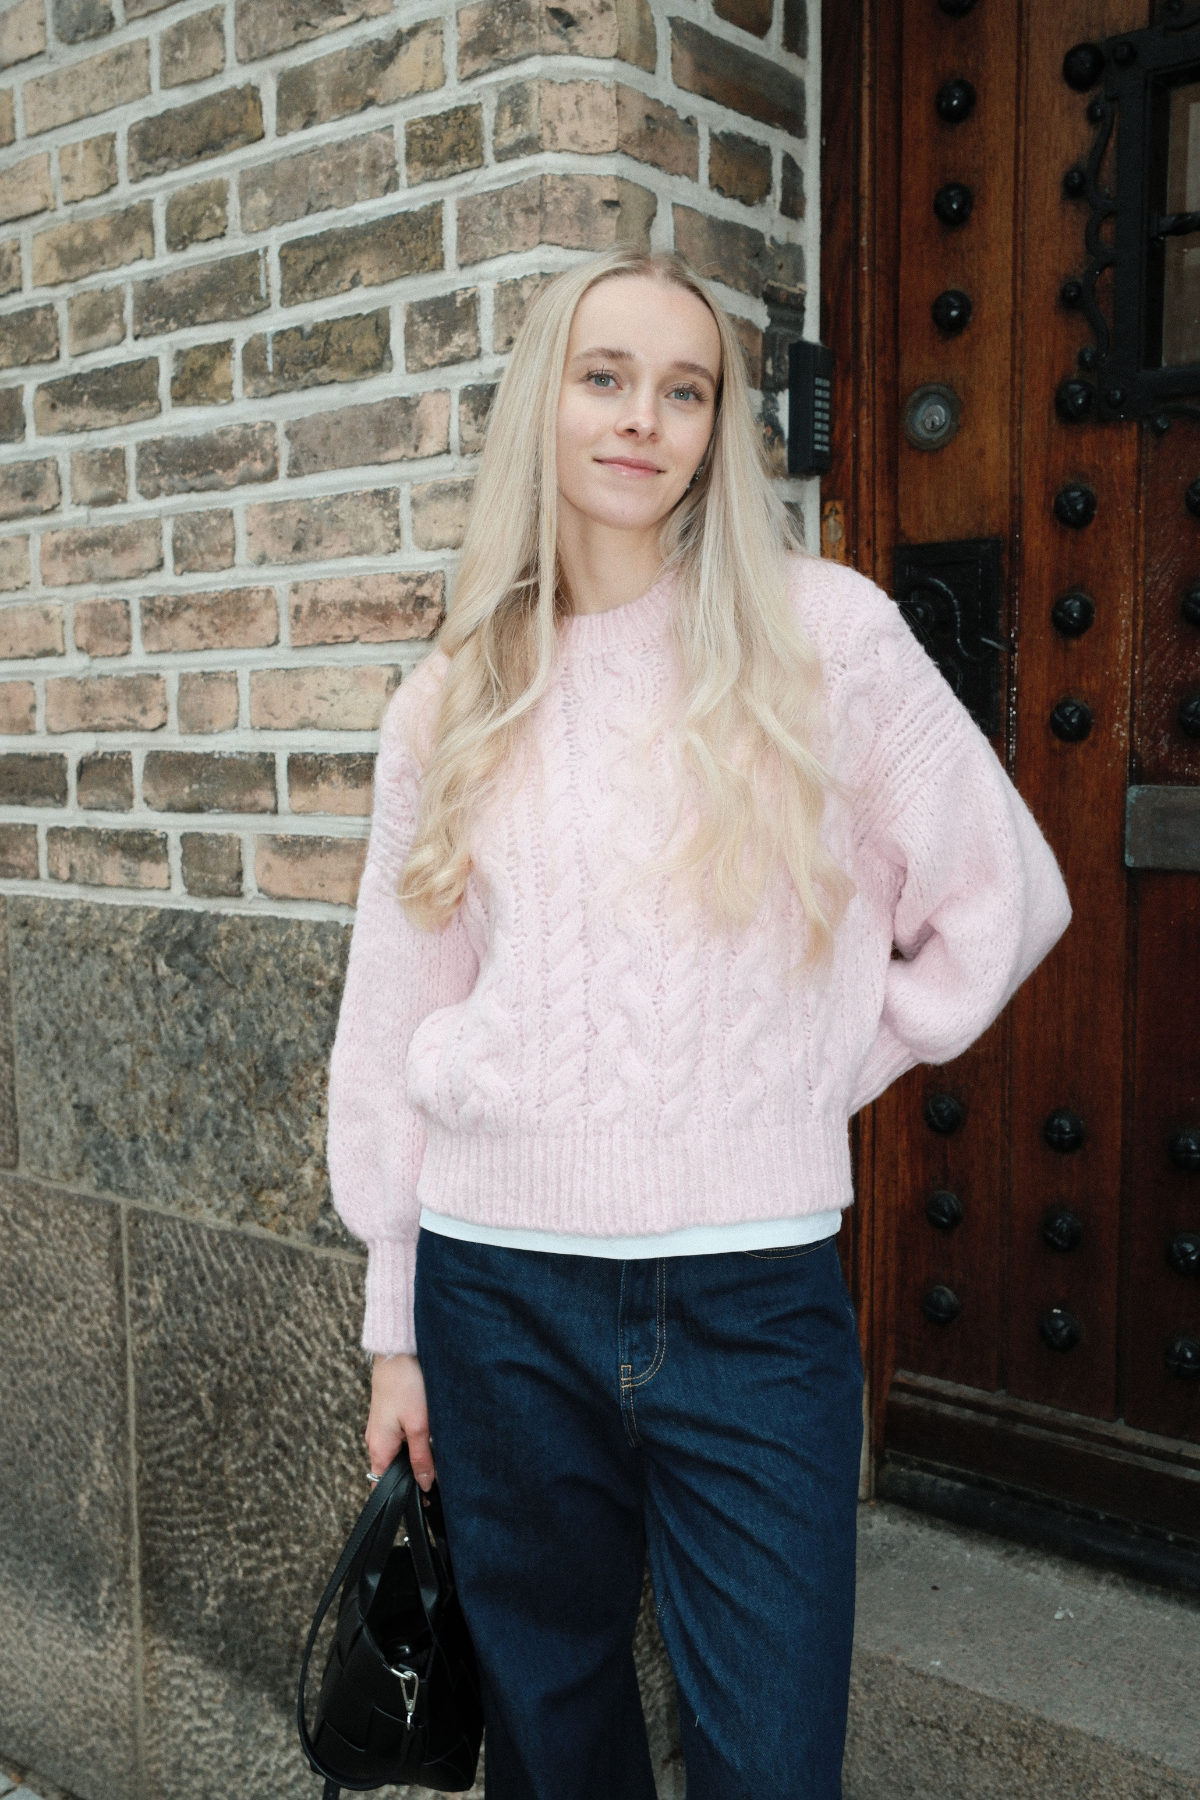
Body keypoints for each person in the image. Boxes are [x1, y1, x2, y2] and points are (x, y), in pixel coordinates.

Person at [326, 246, 1070, 1800]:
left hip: (755, 1301)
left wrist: (813, 1073)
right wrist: (398, 1330)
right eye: (603, 377)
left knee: (774, 1761)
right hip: (496, 1295)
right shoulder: (452, 698)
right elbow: (395, 1026)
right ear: (542, 403)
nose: (641, 419)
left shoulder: (826, 639)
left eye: (685, 390)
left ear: (719, 429)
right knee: (553, 1749)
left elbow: (1002, 899)